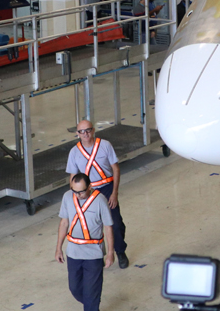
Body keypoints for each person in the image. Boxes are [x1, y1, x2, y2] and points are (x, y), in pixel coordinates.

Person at [65, 120, 129, 268]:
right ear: (77, 134)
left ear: (93, 130)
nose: (85, 134)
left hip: (107, 188)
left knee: (115, 223)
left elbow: (116, 169)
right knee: (91, 225)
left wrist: (114, 193)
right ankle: (97, 254)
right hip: (88, 192)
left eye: (88, 130)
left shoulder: (105, 145)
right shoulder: (74, 152)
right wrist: (76, 197)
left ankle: (120, 251)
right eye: (82, 131)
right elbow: (73, 178)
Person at [56, 173, 115, 311]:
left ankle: (92, 306)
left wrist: (111, 253)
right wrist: (58, 248)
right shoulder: (67, 197)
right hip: (73, 253)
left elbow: (108, 227)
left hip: (93, 254)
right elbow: (64, 222)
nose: (78, 195)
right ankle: (91, 304)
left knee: (91, 293)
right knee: (74, 288)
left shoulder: (100, 200)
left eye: (81, 192)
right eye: (74, 191)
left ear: (90, 186)